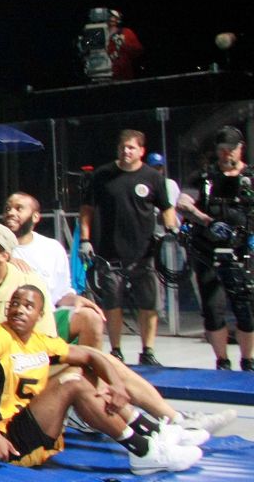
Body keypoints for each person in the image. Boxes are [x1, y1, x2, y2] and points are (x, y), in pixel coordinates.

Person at [0, 286, 202, 473]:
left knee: (82, 370)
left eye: (28, 306)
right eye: (15, 304)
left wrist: (117, 386)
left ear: (40, 314)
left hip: (30, 430)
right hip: (2, 436)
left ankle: (150, 430)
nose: (19, 309)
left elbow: (92, 356)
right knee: (72, 382)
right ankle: (143, 450)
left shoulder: (42, 342)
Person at [80, 129, 178, 365]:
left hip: (144, 253)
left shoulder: (153, 177)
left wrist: (171, 229)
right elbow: (87, 210)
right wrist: (85, 239)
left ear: (141, 151)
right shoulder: (102, 175)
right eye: (123, 147)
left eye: (132, 147)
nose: (126, 151)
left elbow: (166, 208)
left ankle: (148, 351)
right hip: (109, 252)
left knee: (148, 303)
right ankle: (116, 350)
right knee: (113, 303)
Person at [176, 125, 254, 370]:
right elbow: (182, 202)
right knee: (213, 308)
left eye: (231, 149)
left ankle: (248, 359)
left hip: (243, 251)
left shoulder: (250, 177)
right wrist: (206, 220)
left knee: (246, 308)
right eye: (222, 150)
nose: (226, 155)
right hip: (209, 251)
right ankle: (222, 360)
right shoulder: (205, 178)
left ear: (241, 149)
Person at [1, 192, 105, 346]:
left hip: (47, 320)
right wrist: (4, 260)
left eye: (18, 209)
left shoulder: (52, 248)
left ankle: (88, 369)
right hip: (6, 322)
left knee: (91, 317)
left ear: (35, 217)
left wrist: (77, 299)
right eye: (8, 209)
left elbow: (60, 295)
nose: (11, 213)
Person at [106, 10, 143, 80]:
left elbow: (138, 50)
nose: (112, 19)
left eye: (114, 17)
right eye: (109, 17)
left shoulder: (127, 32)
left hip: (124, 75)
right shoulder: (98, 34)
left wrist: (123, 45)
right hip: (101, 75)